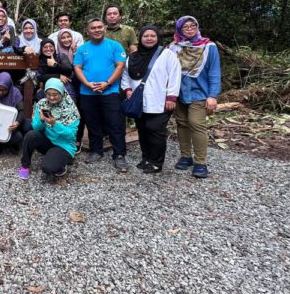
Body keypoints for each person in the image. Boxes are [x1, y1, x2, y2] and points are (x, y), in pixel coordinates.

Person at [121, 26, 181, 174]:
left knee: (155, 130)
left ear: (158, 37)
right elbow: (125, 76)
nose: (149, 38)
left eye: (152, 36)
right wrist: (127, 90)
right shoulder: (133, 57)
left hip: (159, 100)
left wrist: (171, 97)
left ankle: (156, 162)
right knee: (142, 130)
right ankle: (146, 158)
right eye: (145, 36)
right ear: (140, 38)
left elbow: (175, 76)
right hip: (138, 101)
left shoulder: (166, 54)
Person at [168, 16, 221, 179]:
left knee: (196, 124)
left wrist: (213, 95)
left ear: (197, 27)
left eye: (193, 26)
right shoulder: (174, 47)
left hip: (200, 92)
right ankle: (186, 156)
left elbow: (214, 71)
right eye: (185, 27)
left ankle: (200, 162)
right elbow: (168, 70)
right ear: (180, 30)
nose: (190, 29)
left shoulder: (208, 46)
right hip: (179, 92)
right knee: (182, 124)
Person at [73, 18, 128, 170]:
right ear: (88, 31)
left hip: (110, 91)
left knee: (115, 123)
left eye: (99, 27)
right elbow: (77, 67)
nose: (97, 30)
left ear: (104, 28)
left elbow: (120, 65)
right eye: (93, 28)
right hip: (87, 92)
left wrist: (107, 83)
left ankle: (119, 154)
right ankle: (96, 151)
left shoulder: (114, 46)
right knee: (92, 123)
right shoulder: (82, 48)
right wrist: (86, 83)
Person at [18, 78, 80, 179]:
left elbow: (70, 135)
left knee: (48, 168)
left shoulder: (71, 109)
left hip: (64, 145)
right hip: (48, 141)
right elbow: (36, 127)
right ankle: (25, 166)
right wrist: (41, 121)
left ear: (62, 92)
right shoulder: (42, 104)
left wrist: (55, 124)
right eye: (48, 94)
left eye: (55, 94)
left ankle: (64, 161)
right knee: (31, 135)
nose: (51, 97)